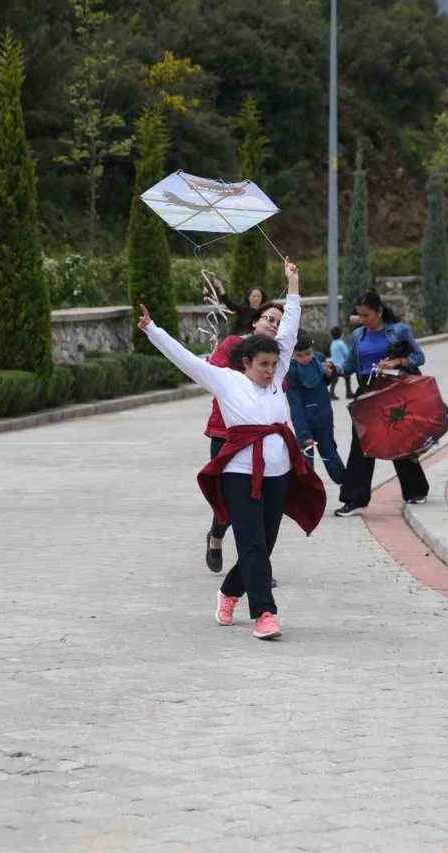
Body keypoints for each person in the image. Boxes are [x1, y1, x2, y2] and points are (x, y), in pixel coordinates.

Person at [139, 259, 325, 640]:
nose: (271, 371)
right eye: (263, 365)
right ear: (246, 363)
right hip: (240, 474)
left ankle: (228, 590)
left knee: (265, 544)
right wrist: (153, 330)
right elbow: (187, 360)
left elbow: (287, 333)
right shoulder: (226, 381)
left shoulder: (277, 377)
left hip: (279, 474)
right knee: (252, 542)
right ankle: (265, 615)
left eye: (275, 364)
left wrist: (293, 287)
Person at [202, 302, 284, 574]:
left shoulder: (278, 359)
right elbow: (213, 374)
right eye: (268, 319)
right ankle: (216, 537)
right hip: (225, 433)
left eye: (278, 322)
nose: (273, 324)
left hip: (259, 441)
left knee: (253, 505)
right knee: (228, 499)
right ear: (255, 323)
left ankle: (255, 566)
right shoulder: (233, 345)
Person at [332, 288, 430, 516]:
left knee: (400, 441)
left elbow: (419, 357)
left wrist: (396, 361)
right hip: (366, 392)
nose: (362, 320)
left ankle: (416, 490)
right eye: (360, 315)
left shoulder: (398, 331)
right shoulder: (358, 336)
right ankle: (355, 500)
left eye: (367, 315)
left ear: (379, 311)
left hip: (392, 391)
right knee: (362, 445)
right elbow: (349, 367)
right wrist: (332, 369)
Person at [287, 332, 346, 486]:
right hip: (305, 421)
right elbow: (295, 404)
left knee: (331, 455)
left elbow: (324, 381)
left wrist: (329, 373)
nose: (305, 359)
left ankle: (348, 489)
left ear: (312, 348)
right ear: (293, 354)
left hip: (324, 416)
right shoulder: (291, 371)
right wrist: (303, 433)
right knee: (307, 462)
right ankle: (309, 498)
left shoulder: (319, 358)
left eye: (308, 353)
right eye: (300, 355)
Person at [328, 326, 352, 400]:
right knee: (347, 377)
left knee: (334, 380)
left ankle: (331, 393)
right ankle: (348, 392)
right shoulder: (341, 343)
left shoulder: (332, 343)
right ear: (341, 334)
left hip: (333, 364)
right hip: (341, 365)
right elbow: (346, 353)